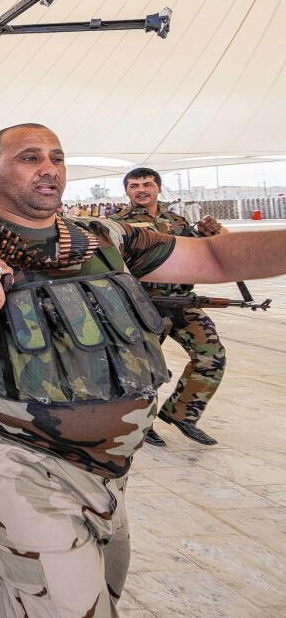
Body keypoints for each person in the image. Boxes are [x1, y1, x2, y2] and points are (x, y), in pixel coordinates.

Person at [0, 123, 286, 616]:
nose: (48, 169)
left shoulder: (104, 238)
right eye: (29, 157)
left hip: (112, 478)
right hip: (27, 469)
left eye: (56, 157)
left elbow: (211, 255)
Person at [114, 167, 228, 446]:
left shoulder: (177, 221)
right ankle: (142, 424)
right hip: (143, 307)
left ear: (159, 188)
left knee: (212, 357)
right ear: (127, 191)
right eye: (134, 185)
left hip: (182, 303)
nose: (141, 189)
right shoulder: (118, 224)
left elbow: (207, 255)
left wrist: (218, 234)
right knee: (144, 370)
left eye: (147, 184)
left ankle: (182, 414)